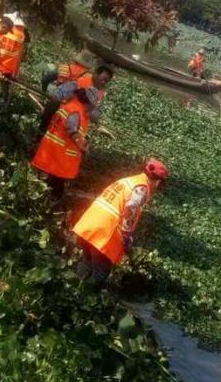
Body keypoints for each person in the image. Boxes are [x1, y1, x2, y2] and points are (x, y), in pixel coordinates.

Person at [70, 159, 168, 286]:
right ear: (159, 181)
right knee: (100, 273)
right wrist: (126, 234)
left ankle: (73, 290)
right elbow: (131, 208)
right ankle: (88, 297)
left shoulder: (129, 180)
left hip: (89, 224)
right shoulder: (142, 188)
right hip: (104, 233)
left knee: (86, 262)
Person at [30, 64, 114, 197]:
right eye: (103, 79)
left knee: (50, 176)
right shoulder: (79, 86)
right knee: (55, 177)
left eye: (106, 81)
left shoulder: (97, 94)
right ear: (96, 74)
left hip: (62, 136)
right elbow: (58, 97)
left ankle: (44, 191)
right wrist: (82, 146)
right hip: (64, 137)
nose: (103, 83)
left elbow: (92, 114)